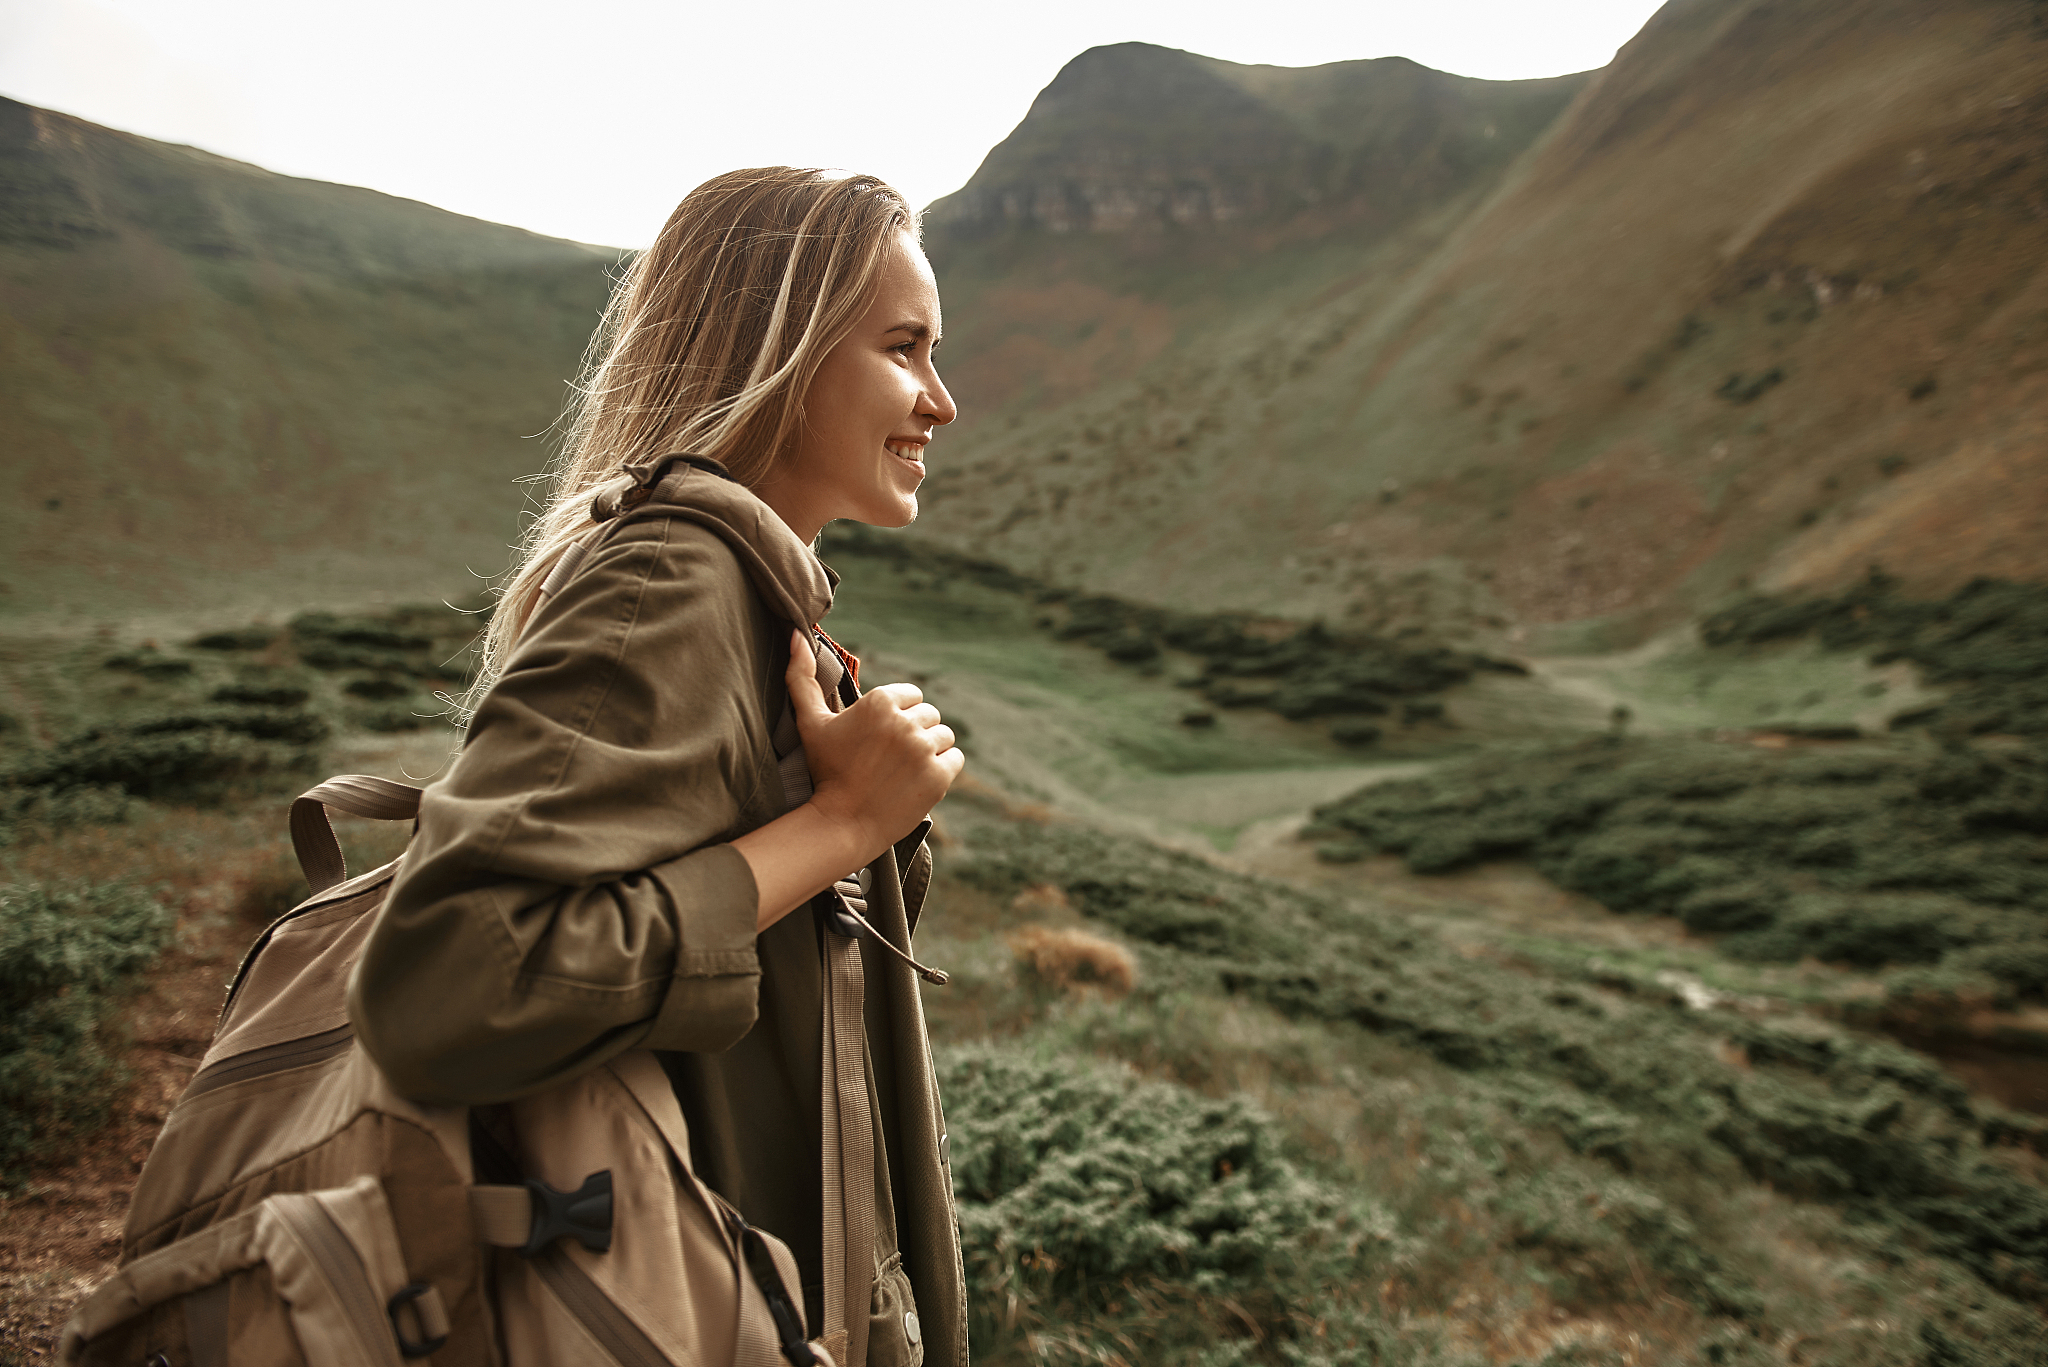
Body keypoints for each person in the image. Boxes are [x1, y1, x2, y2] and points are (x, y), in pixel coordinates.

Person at [348, 167, 968, 1367]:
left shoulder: (752, 594)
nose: (940, 399)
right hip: (683, 1303)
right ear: (777, 347)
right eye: (904, 348)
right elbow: (445, 980)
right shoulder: (667, 583)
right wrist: (841, 823)